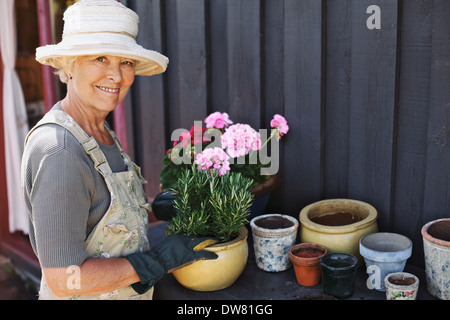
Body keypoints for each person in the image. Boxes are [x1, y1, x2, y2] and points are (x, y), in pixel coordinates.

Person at [21, 0, 216, 300]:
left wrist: (153, 209)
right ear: (69, 65)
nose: (116, 75)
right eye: (100, 58)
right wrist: (159, 261)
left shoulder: (98, 130)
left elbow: (102, 219)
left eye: (125, 61)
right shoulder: (60, 151)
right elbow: (64, 279)